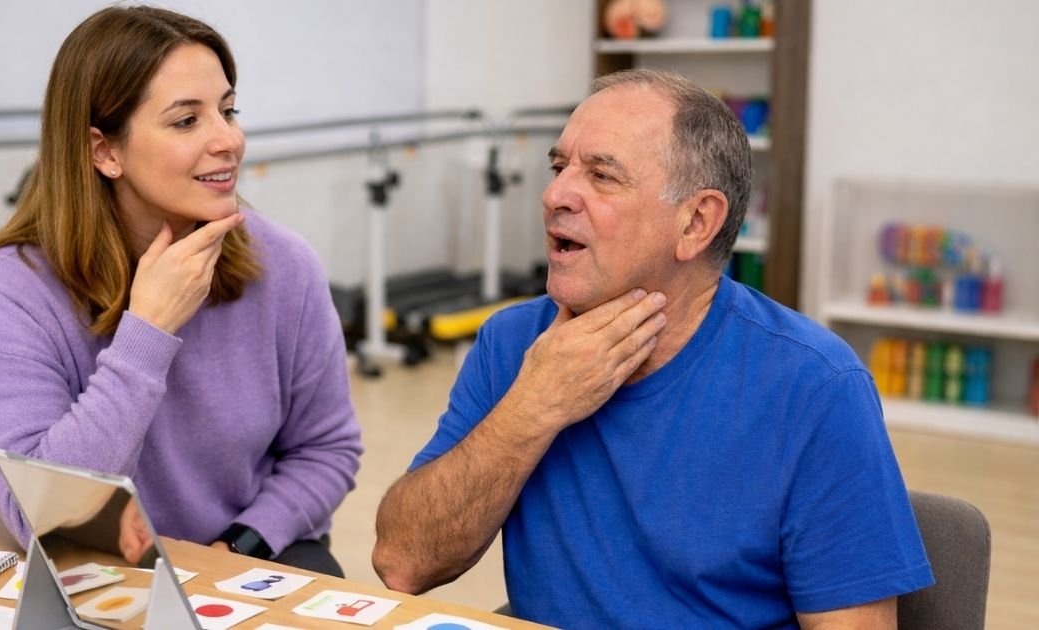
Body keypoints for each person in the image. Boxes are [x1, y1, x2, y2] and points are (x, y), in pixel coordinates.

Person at [372, 68, 934, 628]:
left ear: (695, 223)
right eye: (559, 166)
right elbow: (402, 564)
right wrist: (532, 408)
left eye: (601, 175)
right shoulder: (514, 342)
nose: (554, 194)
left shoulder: (815, 386)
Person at [0, 5, 361, 577]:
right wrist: (146, 333)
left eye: (228, 110)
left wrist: (237, 546)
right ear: (105, 152)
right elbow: (43, 519)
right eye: (185, 121)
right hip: (98, 568)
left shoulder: (285, 265)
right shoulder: (8, 294)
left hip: (252, 549)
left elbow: (325, 450)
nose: (230, 140)